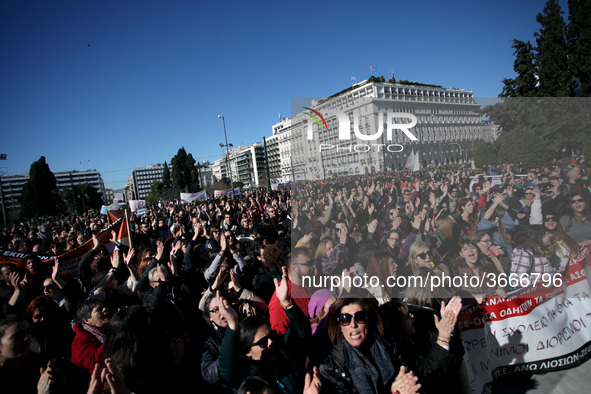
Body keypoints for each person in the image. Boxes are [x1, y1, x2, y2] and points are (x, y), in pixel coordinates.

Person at [217, 267, 311, 393]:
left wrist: (286, 302)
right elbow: (225, 372)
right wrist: (232, 324)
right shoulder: (246, 378)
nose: (270, 343)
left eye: (271, 337)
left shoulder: (284, 355)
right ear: (247, 352)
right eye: (262, 343)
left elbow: (303, 331)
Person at [316, 297, 421, 394]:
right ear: (340, 326)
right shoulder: (331, 366)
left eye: (360, 317)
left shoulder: (389, 345)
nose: (353, 325)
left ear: (369, 322)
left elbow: (412, 379)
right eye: (345, 319)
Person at [71, 298, 110, 374]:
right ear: (87, 320)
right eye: (99, 309)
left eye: (104, 307)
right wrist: (113, 338)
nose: (105, 309)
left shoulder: (109, 328)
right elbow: (93, 361)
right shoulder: (80, 341)